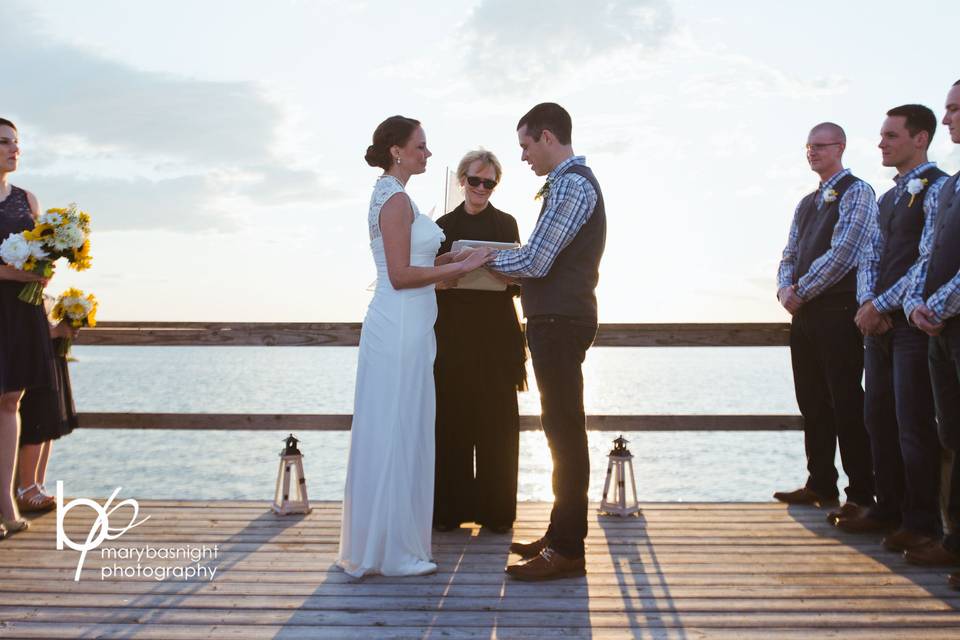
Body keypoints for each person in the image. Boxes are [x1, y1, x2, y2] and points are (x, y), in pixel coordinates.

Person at [336, 116, 493, 577]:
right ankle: (392, 552)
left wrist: (456, 260)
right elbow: (402, 277)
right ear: (397, 151)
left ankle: (390, 541)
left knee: (401, 427)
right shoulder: (395, 198)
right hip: (400, 324)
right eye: (421, 146)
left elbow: (417, 262)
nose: (427, 154)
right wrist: (461, 267)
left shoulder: (397, 197)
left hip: (410, 324)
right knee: (397, 429)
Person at [488, 103, 606, 581]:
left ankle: (568, 549)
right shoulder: (566, 184)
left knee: (565, 433)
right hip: (552, 318)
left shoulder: (574, 185)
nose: (522, 158)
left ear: (548, 137)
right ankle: (560, 531)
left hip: (560, 320)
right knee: (559, 428)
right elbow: (541, 258)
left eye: (525, 145)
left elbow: (536, 262)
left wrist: (476, 262)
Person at [837, 105, 947, 552]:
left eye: (891, 136)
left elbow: (928, 256)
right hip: (877, 327)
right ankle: (888, 508)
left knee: (912, 424)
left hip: (911, 329)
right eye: (881, 136)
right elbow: (870, 254)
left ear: (920, 139)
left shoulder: (938, 190)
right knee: (876, 417)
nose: (881, 143)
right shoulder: (887, 198)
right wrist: (867, 304)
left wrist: (881, 304)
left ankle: (922, 522)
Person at [774, 122, 876, 517]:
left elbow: (845, 251)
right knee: (811, 401)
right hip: (804, 317)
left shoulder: (858, 192)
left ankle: (861, 494)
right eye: (808, 146)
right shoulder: (805, 202)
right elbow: (789, 253)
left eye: (820, 146)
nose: (812, 152)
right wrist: (784, 289)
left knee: (846, 401)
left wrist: (802, 290)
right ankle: (820, 483)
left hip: (838, 312)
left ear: (841, 147)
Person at [433, 149, 527, 534]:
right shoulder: (442, 226)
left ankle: (497, 513)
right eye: (475, 180)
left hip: (497, 335)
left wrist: (502, 272)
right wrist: (456, 269)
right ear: (462, 181)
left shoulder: (507, 224)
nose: (482, 188)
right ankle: (449, 510)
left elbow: (521, 279)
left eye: (490, 182)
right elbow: (430, 279)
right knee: (451, 424)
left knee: (498, 428)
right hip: (453, 335)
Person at [900, 81, 960, 591]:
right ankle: (954, 540)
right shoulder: (953, 186)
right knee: (952, 436)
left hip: (949, 320)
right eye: (947, 109)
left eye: (955, 109)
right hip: (941, 328)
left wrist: (935, 305)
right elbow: (929, 251)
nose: (949, 119)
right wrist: (919, 301)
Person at [17, 298, 81, 513]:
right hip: (30, 357)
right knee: (36, 420)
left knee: (47, 423)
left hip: (46, 354)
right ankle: (25, 488)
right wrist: (55, 331)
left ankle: (36, 484)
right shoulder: (19, 285)